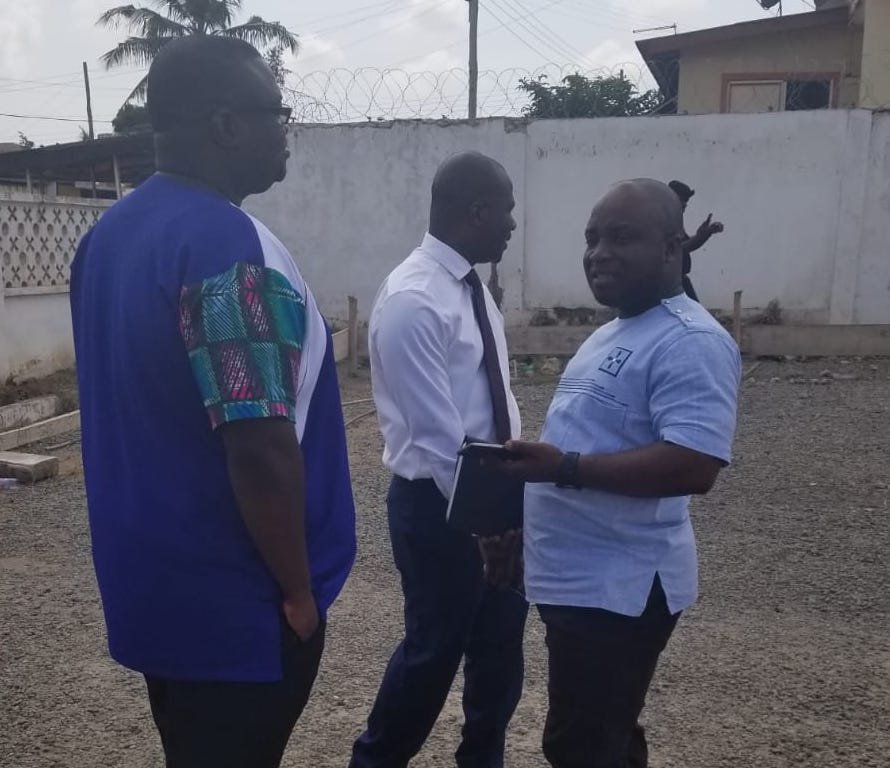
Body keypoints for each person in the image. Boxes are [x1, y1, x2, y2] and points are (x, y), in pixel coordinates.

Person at [70, 36, 356, 768]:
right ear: (227, 126)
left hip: (152, 584)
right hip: (237, 606)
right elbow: (257, 444)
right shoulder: (227, 248)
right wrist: (297, 593)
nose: (285, 129)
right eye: (277, 112)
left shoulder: (108, 236)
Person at [496, 179, 741, 768]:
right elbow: (580, 444)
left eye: (622, 237)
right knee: (599, 738)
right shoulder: (614, 331)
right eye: (592, 238)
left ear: (672, 249)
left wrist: (566, 468)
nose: (599, 252)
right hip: (580, 580)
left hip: (621, 588)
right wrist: (526, 527)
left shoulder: (691, 341)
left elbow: (695, 463)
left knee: (583, 747)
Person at [349, 152, 529, 768]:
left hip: (495, 493)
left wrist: (509, 510)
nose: (513, 223)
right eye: (506, 210)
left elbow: (492, 397)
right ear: (476, 211)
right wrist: (489, 526)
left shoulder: (471, 287)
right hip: (441, 507)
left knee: (500, 649)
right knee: (434, 652)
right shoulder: (413, 299)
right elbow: (436, 436)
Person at [667, 180, 724, 302]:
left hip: (678, 279)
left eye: (685, 206)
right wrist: (701, 236)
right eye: (681, 206)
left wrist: (705, 234)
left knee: (697, 315)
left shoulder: (675, 220)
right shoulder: (660, 220)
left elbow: (686, 247)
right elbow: (678, 250)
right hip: (665, 282)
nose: (684, 210)